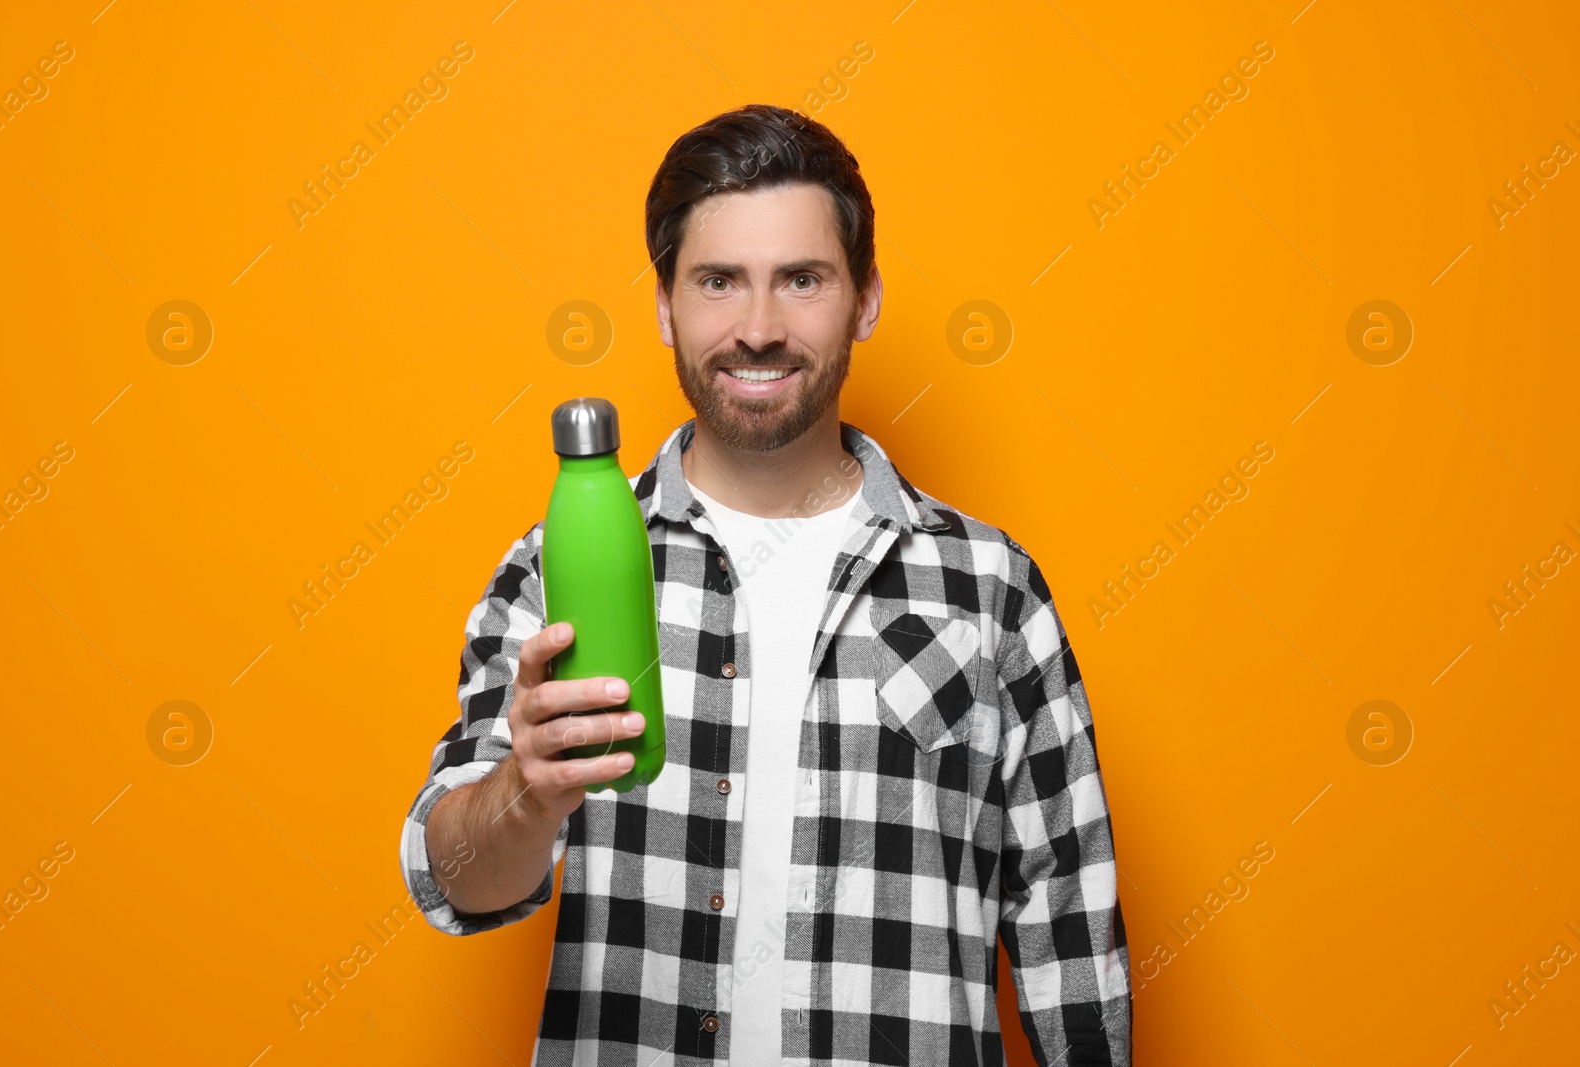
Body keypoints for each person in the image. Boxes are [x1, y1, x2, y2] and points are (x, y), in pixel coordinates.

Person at [399, 103, 1131, 1066]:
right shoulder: (553, 569)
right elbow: (451, 878)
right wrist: (524, 796)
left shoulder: (988, 586)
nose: (757, 328)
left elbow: (1070, 930)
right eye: (717, 281)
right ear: (664, 303)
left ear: (865, 297)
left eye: (801, 279)